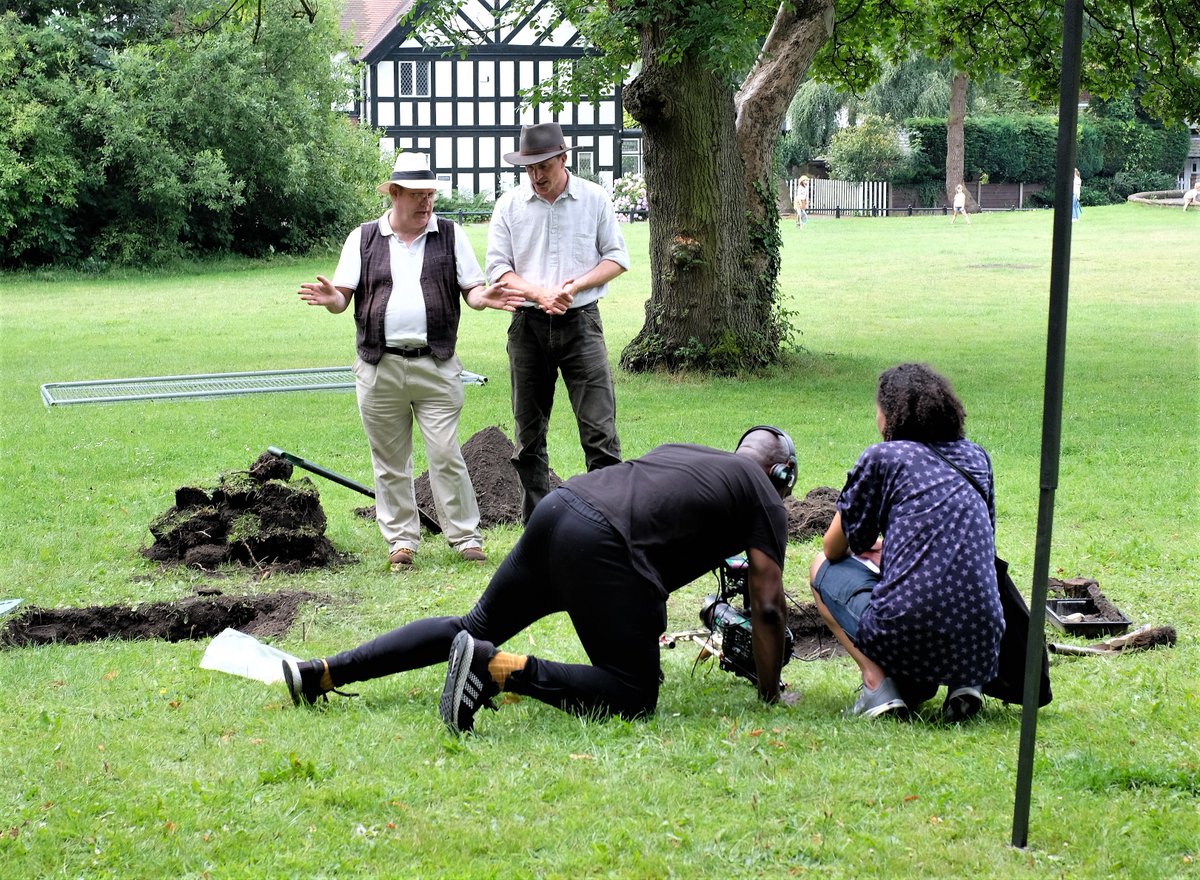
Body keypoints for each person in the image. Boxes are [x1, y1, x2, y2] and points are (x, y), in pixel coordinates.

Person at [282, 427, 798, 734]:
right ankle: (493, 667)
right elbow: (768, 606)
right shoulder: (764, 496)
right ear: (781, 476)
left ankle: (324, 672)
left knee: (473, 622)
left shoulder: (689, 451)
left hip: (560, 509)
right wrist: (770, 692)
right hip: (605, 547)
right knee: (633, 694)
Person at [298, 153, 524, 569]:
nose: (426, 204)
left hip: (435, 365)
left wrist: (484, 297)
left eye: (430, 195)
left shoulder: (450, 235)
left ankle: (464, 537)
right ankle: (402, 541)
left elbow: (472, 291)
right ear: (395, 194)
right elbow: (341, 297)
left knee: (445, 453)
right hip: (378, 366)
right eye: (418, 196)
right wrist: (331, 299)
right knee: (389, 462)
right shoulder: (363, 238)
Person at [808, 363, 1004, 722]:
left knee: (819, 567)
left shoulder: (884, 457)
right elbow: (982, 543)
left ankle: (876, 686)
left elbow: (834, 547)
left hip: (907, 631)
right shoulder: (976, 456)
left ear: (890, 414)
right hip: (983, 638)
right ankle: (965, 684)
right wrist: (896, 547)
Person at [486, 122, 631, 523]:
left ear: (564, 159)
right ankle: (538, 527)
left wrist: (577, 284)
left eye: (544, 166)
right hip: (527, 328)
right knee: (528, 437)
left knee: (599, 431)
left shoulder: (593, 199)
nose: (536, 175)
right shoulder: (509, 206)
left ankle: (609, 523)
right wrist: (537, 293)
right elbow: (498, 269)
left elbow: (616, 257)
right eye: (529, 168)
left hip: (581, 322)